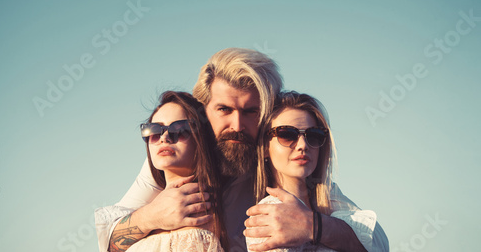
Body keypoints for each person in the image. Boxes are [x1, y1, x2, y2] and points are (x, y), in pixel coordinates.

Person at [95, 48, 389, 252]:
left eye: (250, 111)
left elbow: (376, 242)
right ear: (201, 111)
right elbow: (108, 241)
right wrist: (151, 217)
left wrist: (313, 226)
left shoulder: (284, 161)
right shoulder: (174, 157)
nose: (237, 124)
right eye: (224, 109)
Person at [247, 91, 379, 251]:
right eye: (287, 134)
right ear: (265, 148)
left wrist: (313, 225)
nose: (303, 145)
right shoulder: (270, 213)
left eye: (313, 135)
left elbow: (378, 243)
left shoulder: (332, 198)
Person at [111, 91, 227, 251]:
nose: (164, 137)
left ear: (201, 139)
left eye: (179, 129)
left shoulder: (198, 214)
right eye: (154, 130)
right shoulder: (148, 207)